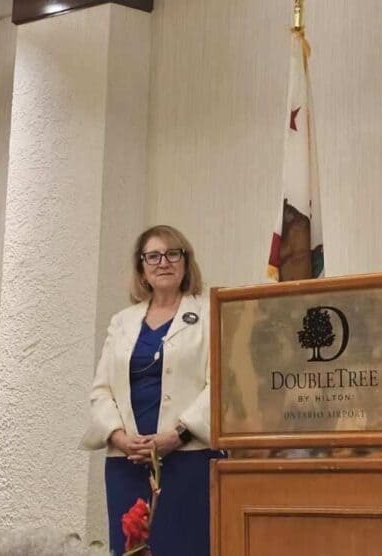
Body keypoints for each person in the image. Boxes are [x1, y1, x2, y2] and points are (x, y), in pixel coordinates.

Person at [79, 225, 219, 556]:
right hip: (128, 463)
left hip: (188, 461)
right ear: (142, 268)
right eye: (153, 256)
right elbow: (101, 392)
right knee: (132, 550)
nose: (163, 262)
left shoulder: (210, 313)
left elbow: (221, 386)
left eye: (173, 253)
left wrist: (178, 434)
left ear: (186, 262)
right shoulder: (121, 321)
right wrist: (118, 437)